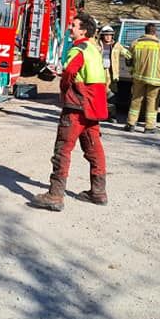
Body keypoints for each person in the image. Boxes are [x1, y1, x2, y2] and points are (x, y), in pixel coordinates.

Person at [30, 12, 108, 211]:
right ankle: (98, 192)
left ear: (83, 30)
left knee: (62, 149)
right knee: (94, 149)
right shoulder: (94, 49)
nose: (70, 28)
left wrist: (64, 90)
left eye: (73, 25)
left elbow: (70, 72)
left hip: (76, 106)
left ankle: (55, 195)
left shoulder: (79, 48)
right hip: (92, 106)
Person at [123, 23, 160, 133]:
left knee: (136, 100)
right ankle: (149, 127)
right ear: (155, 32)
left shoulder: (136, 43)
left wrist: (132, 70)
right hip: (155, 79)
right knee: (152, 102)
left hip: (139, 78)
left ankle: (130, 124)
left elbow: (128, 59)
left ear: (145, 31)